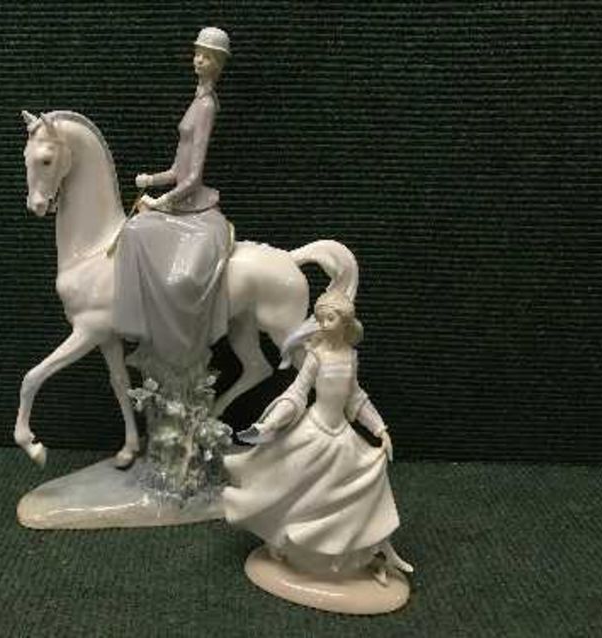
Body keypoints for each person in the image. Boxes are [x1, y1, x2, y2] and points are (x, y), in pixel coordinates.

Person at [223, 288, 413, 583]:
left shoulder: (350, 357)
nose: (323, 324)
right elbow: (297, 393)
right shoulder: (316, 356)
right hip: (313, 432)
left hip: (342, 436)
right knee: (288, 486)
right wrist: (272, 423)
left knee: (361, 484)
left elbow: (355, 397)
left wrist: (380, 428)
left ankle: (361, 551)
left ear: (345, 321)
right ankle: (283, 538)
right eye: (320, 318)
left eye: (330, 318)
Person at [113, 27, 233, 366]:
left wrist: (160, 201)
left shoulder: (206, 106)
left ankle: (174, 343)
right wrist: (152, 179)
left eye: (207, 56)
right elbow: (178, 170)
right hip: (180, 203)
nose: (199, 60)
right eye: (197, 53)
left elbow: (192, 178)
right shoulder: (197, 100)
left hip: (194, 209)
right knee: (132, 230)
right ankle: (142, 329)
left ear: (218, 64)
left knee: (167, 263)